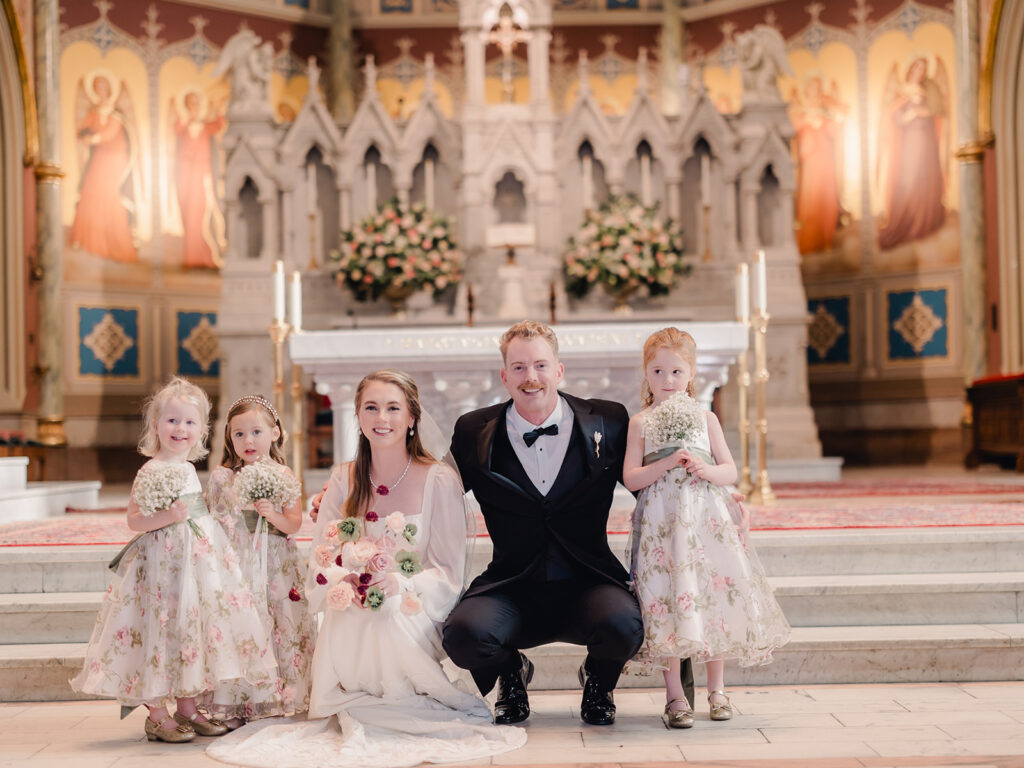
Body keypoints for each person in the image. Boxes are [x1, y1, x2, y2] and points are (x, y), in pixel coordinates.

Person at [206, 370, 525, 768]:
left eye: (394, 408)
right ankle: (356, 698)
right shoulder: (343, 477)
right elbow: (324, 556)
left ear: (412, 418)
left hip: (414, 604)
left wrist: (398, 583)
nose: (382, 417)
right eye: (371, 407)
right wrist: (346, 580)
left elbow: (446, 572)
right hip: (353, 595)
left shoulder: (439, 479)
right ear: (357, 415)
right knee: (349, 609)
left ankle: (396, 697)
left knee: (386, 613)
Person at [442, 320, 644, 726]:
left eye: (539, 365)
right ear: (504, 376)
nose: (530, 378)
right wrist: (364, 496)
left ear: (559, 370)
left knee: (625, 625)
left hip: (589, 580)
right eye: (518, 367)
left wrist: (711, 502)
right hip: (513, 586)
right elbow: (436, 490)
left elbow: (648, 486)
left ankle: (599, 682)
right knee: (462, 635)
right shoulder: (473, 430)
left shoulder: (608, 420)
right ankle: (510, 673)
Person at [70, 377, 276, 743]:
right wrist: (168, 516)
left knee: (190, 629)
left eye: (190, 422)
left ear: (202, 431)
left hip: (195, 565)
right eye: (172, 421)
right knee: (162, 630)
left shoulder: (187, 468)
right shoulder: (150, 470)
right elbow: (135, 520)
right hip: (163, 566)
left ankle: (188, 707)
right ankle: (157, 714)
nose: (180, 429)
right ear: (155, 426)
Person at [623, 328, 790, 728]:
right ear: (646, 373)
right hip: (664, 525)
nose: (667, 380)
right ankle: (675, 696)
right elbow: (630, 477)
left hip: (704, 519)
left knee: (711, 598)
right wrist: (664, 463)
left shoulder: (706, 417)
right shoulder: (640, 421)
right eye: (658, 371)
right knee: (666, 599)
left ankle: (717, 690)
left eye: (676, 372)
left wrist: (706, 469)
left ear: (692, 373)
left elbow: (730, 468)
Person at [206, 394, 315, 725]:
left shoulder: (283, 474)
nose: (248, 440)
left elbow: (294, 523)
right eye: (238, 434)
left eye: (255, 432)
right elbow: (214, 520)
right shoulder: (222, 477)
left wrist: (272, 515)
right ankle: (239, 698)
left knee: (279, 620)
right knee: (243, 622)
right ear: (229, 438)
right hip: (237, 560)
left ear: (275, 433)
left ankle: (278, 694)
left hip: (276, 561)